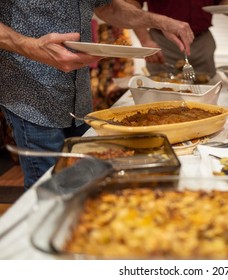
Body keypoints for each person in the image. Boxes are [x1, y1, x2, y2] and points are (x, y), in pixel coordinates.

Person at [0, 0, 195, 189]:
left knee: (84, 182)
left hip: (79, 97)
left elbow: (109, 7)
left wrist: (161, 22)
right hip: (31, 92)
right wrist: (29, 46)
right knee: (49, 188)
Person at [126, 0, 228, 76]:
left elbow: (221, 1)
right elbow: (131, 5)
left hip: (202, 43)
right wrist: (145, 40)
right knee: (160, 88)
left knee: (207, 88)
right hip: (163, 43)